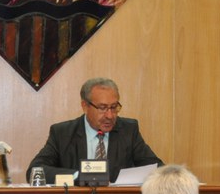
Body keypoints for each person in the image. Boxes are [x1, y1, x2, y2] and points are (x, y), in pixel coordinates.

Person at [27, 77, 163, 184]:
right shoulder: (63, 133)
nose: (110, 115)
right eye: (102, 108)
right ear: (85, 106)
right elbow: (35, 171)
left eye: (114, 107)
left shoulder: (128, 130)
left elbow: (157, 168)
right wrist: (78, 176)